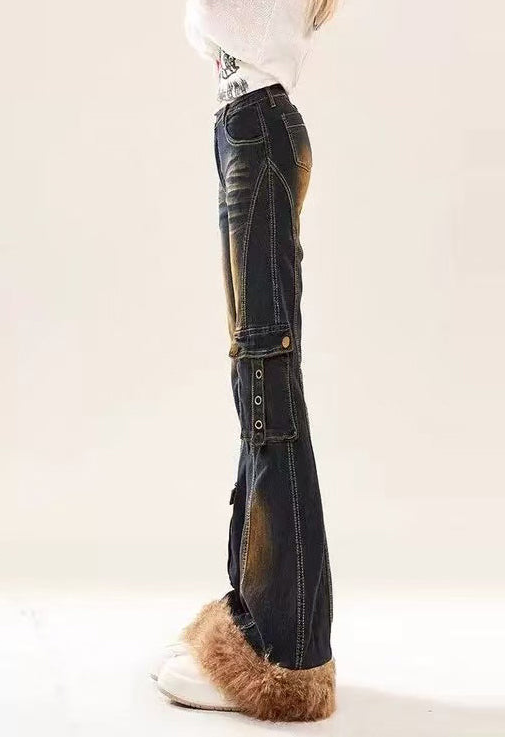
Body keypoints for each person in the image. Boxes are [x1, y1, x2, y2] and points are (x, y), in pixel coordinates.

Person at [152, 0, 338, 722]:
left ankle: (286, 652)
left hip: (256, 130)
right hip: (246, 131)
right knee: (258, 382)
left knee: (267, 384)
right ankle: (264, 620)